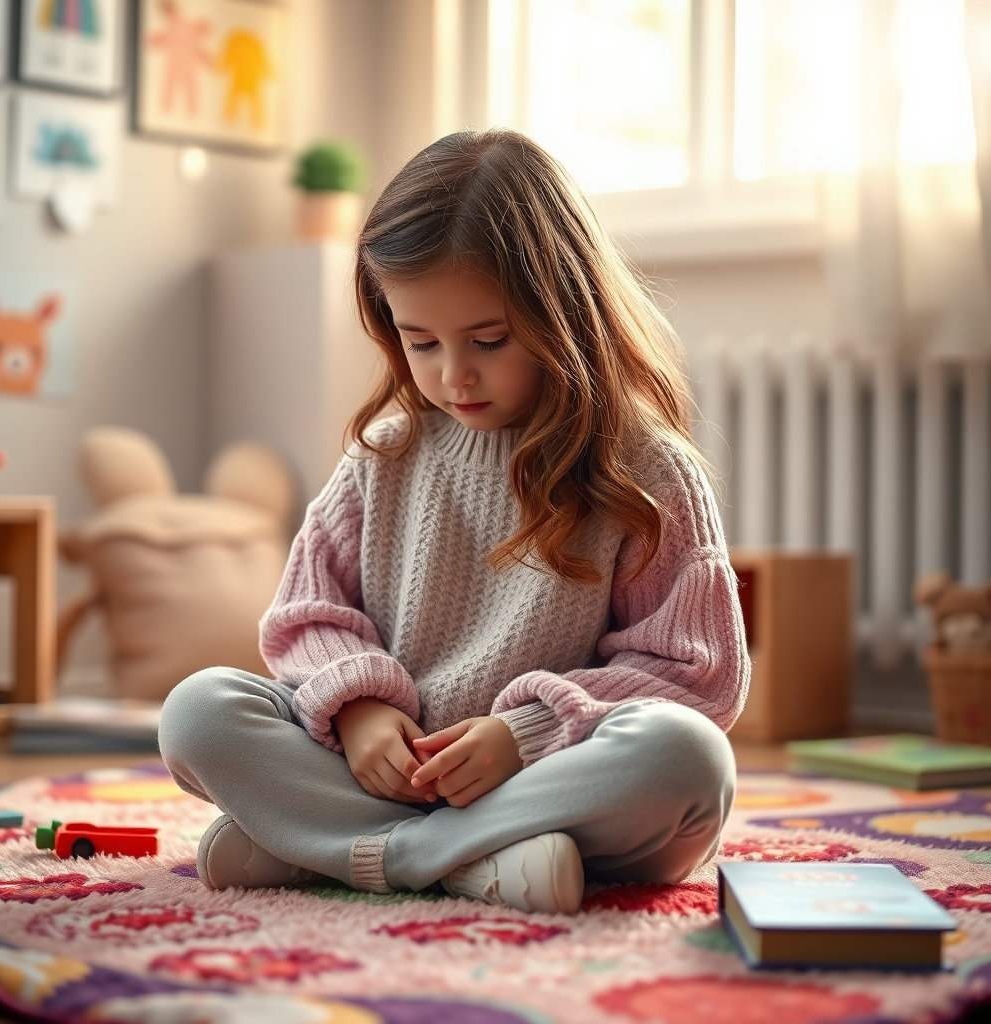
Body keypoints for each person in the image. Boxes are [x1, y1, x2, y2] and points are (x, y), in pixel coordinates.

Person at [158, 128, 750, 915]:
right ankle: (466, 861)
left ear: (564, 311)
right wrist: (362, 714)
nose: (452, 374)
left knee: (687, 760)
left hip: (545, 782)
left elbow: (692, 677)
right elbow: (306, 620)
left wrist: (526, 736)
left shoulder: (647, 471)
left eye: (489, 340)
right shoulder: (384, 459)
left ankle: (334, 847)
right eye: (420, 341)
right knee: (198, 711)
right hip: (385, 774)